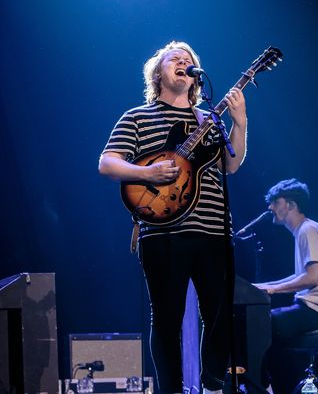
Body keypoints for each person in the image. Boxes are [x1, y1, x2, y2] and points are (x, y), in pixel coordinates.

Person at [98, 41, 248, 394]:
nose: (184, 62)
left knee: (222, 315)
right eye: (175, 59)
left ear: (195, 78)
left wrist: (239, 123)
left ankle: (212, 383)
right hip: (162, 231)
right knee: (166, 319)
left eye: (189, 60)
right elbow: (107, 162)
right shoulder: (137, 116)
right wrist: (148, 175)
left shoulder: (207, 119)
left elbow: (232, 164)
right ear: (158, 73)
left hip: (213, 230)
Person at [255, 179, 318, 394]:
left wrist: (272, 290)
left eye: (275, 202)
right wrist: (258, 286)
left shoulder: (307, 230)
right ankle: (266, 382)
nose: (270, 207)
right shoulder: (306, 230)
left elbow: (312, 278)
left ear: (291, 205)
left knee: (260, 322)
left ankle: (263, 384)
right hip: (315, 309)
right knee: (263, 322)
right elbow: (300, 276)